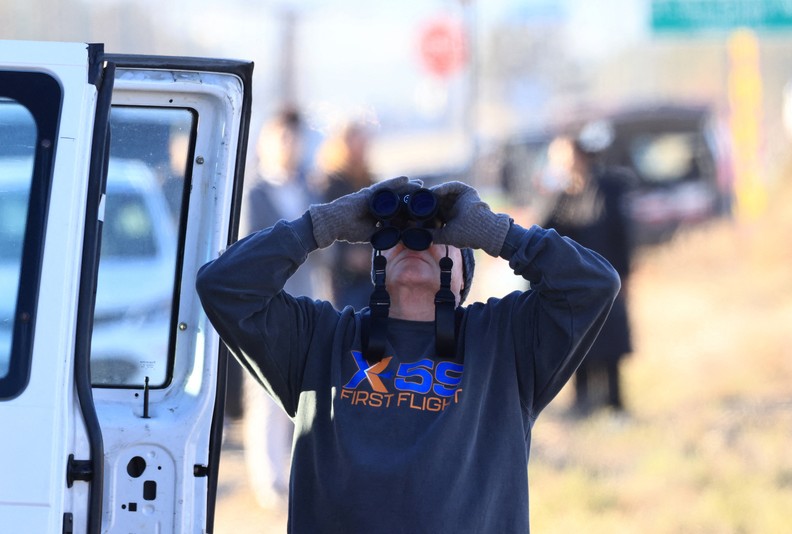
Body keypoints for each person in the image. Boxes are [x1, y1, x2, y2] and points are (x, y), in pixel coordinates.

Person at [196, 175, 620, 532]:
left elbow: (594, 285)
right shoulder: (320, 337)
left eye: (439, 235)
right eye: (400, 237)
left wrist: (500, 234)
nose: (417, 244)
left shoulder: (505, 340)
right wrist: (320, 226)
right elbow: (224, 285)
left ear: (464, 272)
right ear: (377, 258)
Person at [235, 106, 323, 509]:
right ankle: (268, 479)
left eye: (294, 137)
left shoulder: (310, 190)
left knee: (304, 392)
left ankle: (295, 471)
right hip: (267, 307)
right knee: (264, 392)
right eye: (282, 137)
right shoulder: (252, 192)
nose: (289, 145)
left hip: (306, 303)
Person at [542, 123, 634, 416]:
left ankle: (615, 404)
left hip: (606, 277)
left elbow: (620, 234)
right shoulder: (560, 196)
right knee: (576, 343)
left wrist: (625, 276)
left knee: (611, 341)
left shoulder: (606, 188)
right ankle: (581, 403)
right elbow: (542, 230)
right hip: (573, 285)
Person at [314, 121, 376, 310]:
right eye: (354, 140)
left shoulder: (371, 181)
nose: (360, 146)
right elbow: (322, 230)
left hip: (373, 274)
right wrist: (346, 256)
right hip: (345, 280)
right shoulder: (330, 185)